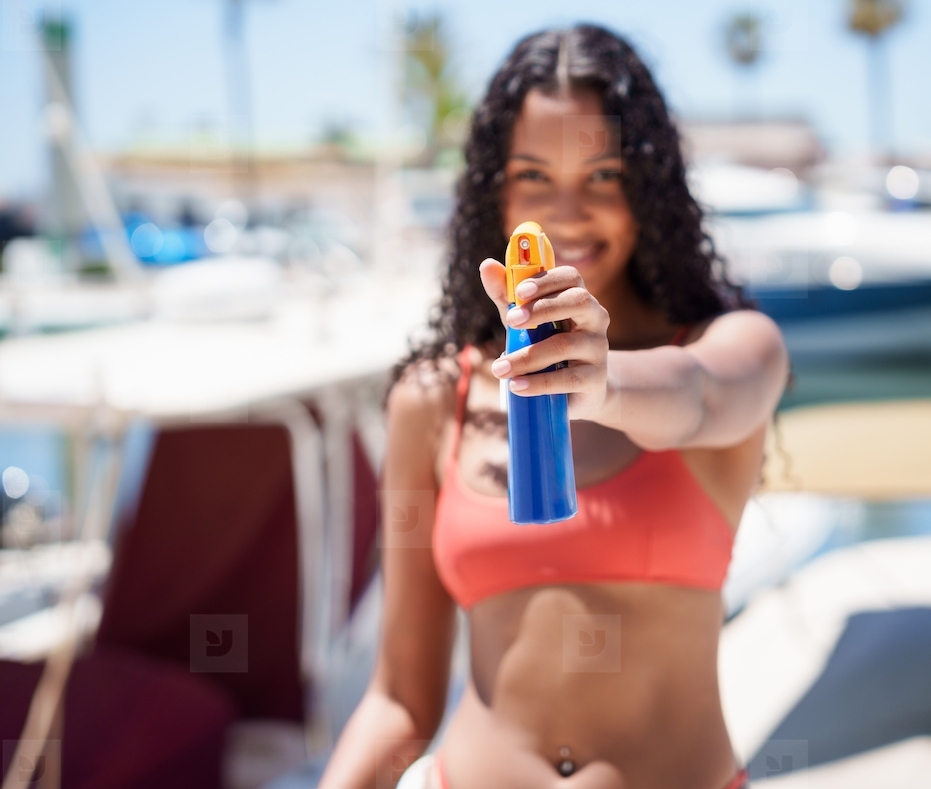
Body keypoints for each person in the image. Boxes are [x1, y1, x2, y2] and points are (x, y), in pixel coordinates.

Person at [320, 24, 789, 789]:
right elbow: (400, 698)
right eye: (534, 176)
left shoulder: (734, 347)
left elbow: (699, 397)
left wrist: (599, 385)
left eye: (603, 176)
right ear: (493, 192)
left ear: (650, 190)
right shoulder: (432, 401)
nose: (566, 214)